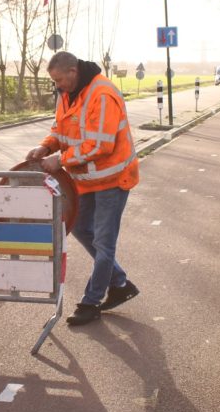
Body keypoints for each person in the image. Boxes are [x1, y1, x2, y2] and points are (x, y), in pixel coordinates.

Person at [26, 51, 140, 326]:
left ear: (73, 72)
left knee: (103, 242)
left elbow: (101, 146)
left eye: (59, 79)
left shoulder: (102, 95)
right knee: (78, 227)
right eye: (54, 81)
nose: (57, 86)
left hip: (112, 180)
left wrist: (60, 159)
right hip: (86, 180)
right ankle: (120, 283)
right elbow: (60, 130)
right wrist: (46, 146)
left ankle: (92, 301)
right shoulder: (69, 93)